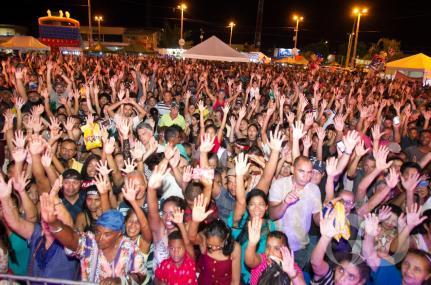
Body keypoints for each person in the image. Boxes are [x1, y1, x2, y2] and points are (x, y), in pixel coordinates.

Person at [188, 194, 241, 285]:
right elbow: (191, 239)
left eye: (218, 246)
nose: (213, 248)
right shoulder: (204, 239)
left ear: (226, 237)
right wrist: (195, 221)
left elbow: (235, 281)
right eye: (210, 245)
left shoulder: (235, 248)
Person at [310, 211, 371, 285]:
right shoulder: (328, 278)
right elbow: (316, 263)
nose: (341, 279)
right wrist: (326, 237)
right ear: (336, 268)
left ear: (360, 283)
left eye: (351, 277)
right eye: (341, 270)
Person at [245, 218, 306, 285]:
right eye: (268, 247)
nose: (270, 252)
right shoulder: (263, 259)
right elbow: (250, 261)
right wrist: (252, 244)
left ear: (286, 251)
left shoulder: (291, 267)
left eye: (276, 248)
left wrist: (292, 274)